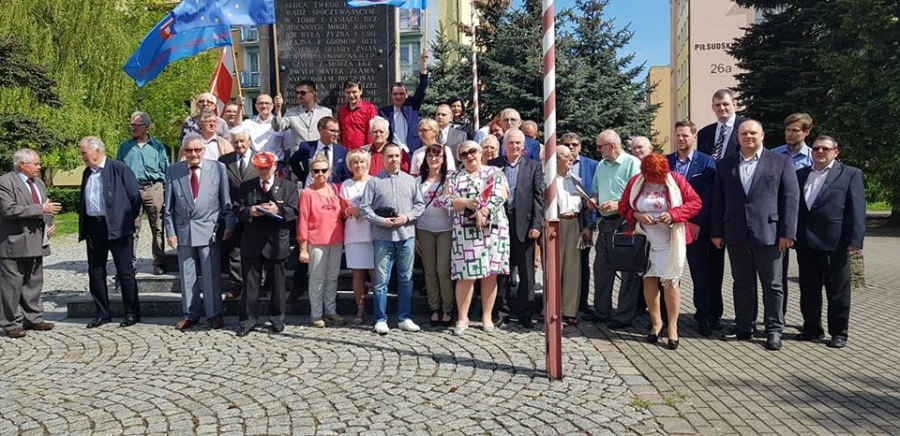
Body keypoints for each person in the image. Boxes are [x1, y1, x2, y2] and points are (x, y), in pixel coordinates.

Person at [711, 120, 800, 351]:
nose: (748, 137)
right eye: (744, 133)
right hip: (736, 233)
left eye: (753, 133)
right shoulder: (725, 164)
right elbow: (718, 200)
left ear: (762, 135)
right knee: (742, 283)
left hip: (770, 234)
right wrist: (717, 232)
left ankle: (774, 330)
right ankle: (744, 326)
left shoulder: (781, 162)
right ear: (738, 138)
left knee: (772, 284)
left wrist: (787, 233)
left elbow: (790, 199)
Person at [620, 153, 702, 350]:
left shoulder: (676, 180)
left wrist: (673, 214)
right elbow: (623, 207)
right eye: (651, 177)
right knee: (649, 279)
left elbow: (695, 203)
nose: (655, 181)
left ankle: (672, 326)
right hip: (645, 240)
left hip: (670, 240)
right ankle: (656, 323)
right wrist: (637, 215)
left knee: (670, 282)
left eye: (659, 177)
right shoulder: (635, 182)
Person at [794, 136, 865, 349]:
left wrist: (855, 239)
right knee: (809, 289)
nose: (820, 152)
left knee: (837, 291)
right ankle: (812, 329)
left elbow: (857, 208)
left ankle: (839, 332)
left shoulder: (850, 174)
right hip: (806, 242)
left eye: (825, 148)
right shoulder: (801, 174)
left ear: (836, 152)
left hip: (836, 242)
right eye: (816, 148)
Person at [164, 134, 235, 331]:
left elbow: (225, 200)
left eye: (197, 150)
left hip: (209, 228)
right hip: (184, 229)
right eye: (189, 150)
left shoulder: (217, 168)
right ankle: (190, 314)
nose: (193, 154)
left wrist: (229, 224)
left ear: (203, 150)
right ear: (183, 151)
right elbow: (168, 207)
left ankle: (214, 314)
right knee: (187, 275)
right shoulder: (173, 170)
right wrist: (170, 232)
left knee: (211, 275)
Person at [443, 141, 510, 335]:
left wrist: (484, 211)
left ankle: (487, 317)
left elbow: (501, 194)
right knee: (465, 275)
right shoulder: (454, 177)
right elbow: (445, 200)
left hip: (492, 230)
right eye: (464, 154)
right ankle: (462, 318)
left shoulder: (494, 172)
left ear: (480, 152)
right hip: (465, 232)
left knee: (490, 274)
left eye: (472, 151)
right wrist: (465, 202)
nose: (469, 156)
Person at [359, 143, 425, 335]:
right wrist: (381, 221)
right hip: (383, 237)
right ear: (383, 158)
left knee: (406, 279)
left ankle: (404, 318)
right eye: (390, 156)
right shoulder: (374, 182)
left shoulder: (411, 181)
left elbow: (420, 205)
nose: (394, 159)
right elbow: (364, 208)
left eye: (397, 156)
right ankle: (380, 319)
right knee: (381, 281)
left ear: (401, 158)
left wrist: (408, 217)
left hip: (406, 236)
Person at [78, 136, 142, 328]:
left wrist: (124, 220)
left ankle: (131, 313)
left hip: (118, 227)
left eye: (84, 152)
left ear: (97, 151)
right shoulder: (87, 173)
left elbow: (134, 197)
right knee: (96, 271)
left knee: (125, 271)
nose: (82, 156)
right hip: (93, 227)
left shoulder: (118, 168)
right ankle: (102, 313)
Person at [235, 152, 299, 337]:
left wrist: (278, 209)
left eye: (267, 167)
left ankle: (277, 318)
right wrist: (250, 211)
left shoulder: (288, 186)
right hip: (252, 241)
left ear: (275, 166)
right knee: (250, 285)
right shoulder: (246, 186)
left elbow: (294, 210)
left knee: (278, 285)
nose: (264, 171)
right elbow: (237, 209)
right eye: (260, 168)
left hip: (276, 240)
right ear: (255, 168)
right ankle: (247, 320)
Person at [0, 149, 61, 338]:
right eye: (35, 164)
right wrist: (40, 208)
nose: (39, 167)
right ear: (21, 164)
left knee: (34, 282)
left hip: (37, 241)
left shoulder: (38, 183)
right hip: (14, 242)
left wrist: (50, 223)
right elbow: (8, 209)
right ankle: (11, 324)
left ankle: (33, 318)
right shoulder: (5, 182)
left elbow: (46, 207)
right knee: (11, 285)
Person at [666, 120, 718, 336]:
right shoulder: (666, 162)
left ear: (694, 137)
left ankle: (704, 317)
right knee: (668, 273)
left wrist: (695, 222)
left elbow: (707, 195)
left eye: (685, 135)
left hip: (695, 228)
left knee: (700, 274)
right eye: (678, 135)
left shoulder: (706, 162)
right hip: (669, 227)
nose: (681, 139)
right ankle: (667, 318)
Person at [587, 130, 642, 329]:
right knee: (601, 268)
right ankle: (602, 312)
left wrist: (618, 204)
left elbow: (638, 195)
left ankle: (624, 316)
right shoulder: (601, 165)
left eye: (600, 146)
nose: (598, 150)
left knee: (628, 271)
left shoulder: (632, 164)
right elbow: (596, 189)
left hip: (626, 221)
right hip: (606, 223)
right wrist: (593, 199)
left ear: (612, 146)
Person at [488, 129, 543, 328]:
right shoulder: (493, 165)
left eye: (518, 143)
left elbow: (539, 197)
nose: (514, 146)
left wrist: (536, 224)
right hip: (499, 224)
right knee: (501, 271)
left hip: (524, 224)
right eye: (511, 143)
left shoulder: (533, 166)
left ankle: (525, 312)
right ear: (505, 145)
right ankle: (501, 311)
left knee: (527, 272)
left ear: (523, 146)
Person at [772, 113, 814, 317]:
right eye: (787, 130)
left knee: (809, 276)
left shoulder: (815, 157)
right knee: (778, 274)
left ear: (807, 132)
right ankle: (778, 317)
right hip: (780, 221)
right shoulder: (774, 155)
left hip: (806, 222)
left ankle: (810, 321)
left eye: (795, 130)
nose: (790, 134)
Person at [117, 111, 168, 275]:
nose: (133, 128)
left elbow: (165, 169)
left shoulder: (157, 146)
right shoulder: (124, 147)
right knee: (131, 228)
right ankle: (130, 263)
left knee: (158, 227)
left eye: (136, 125)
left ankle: (159, 263)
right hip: (131, 189)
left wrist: (165, 191)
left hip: (154, 188)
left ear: (147, 127)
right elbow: (118, 170)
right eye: (131, 125)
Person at [298, 155, 346, 328]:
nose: (320, 174)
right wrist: (303, 247)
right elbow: (303, 220)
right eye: (316, 171)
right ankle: (316, 313)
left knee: (332, 277)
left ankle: (331, 310)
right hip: (316, 240)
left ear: (329, 172)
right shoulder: (307, 193)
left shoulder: (335, 189)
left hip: (336, 239)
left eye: (324, 170)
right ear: (311, 173)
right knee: (317, 278)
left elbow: (342, 212)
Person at [415, 144, 455, 327]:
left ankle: (448, 308)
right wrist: (414, 235)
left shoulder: (450, 180)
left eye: (438, 155)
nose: (433, 159)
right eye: (430, 155)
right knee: (429, 271)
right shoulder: (418, 181)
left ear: (443, 159)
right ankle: (434, 308)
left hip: (446, 228)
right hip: (424, 229)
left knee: (443, 270)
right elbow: (413, 208)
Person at [560, 133, 599, 316]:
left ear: (580, 146)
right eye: (567, 144)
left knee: (582, 265)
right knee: (561, 265)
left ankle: (581, 303)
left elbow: (593, 195)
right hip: (562, 220)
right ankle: (560, 303)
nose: (571, 147)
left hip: (582, 221)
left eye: (574, 144)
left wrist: (590, 225)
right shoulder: (554, 166)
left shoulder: (592, 165)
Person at [553, 146, 592, 327]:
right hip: (556, 224)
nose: (571, 159)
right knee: (554, 268)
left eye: (572, 156)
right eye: (566, 156)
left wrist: (587, 226)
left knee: (572, 269)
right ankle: (551, 309)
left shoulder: (576, 180)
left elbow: (585, 204)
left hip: (575, 223)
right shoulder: (548, 180)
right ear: (556, 160)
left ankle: (569, 310)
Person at [218, 126, 258, 298]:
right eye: (235, 142)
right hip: (232, 210)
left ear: (249, 141)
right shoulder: (223, 160)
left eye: (242, 141)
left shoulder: (259, 158)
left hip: (254, 210)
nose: (239, 145)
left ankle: (257, 283)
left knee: (256, 249)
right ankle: (237, 284)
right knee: (234, 249)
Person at [340, 149, 375, 325]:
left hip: (372, 232)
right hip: (353, 233)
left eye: (362, 162)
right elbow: (341, 212)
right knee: (357, 273)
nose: (359, 165)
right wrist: (349, 210)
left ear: (367, 164)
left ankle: (379, 308)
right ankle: (360, 308)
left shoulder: (374, 181)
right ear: (350, 165)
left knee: (376, 273)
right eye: (355, 162)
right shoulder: (345, 184)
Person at [379, 50, 429, 153]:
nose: (398, 97)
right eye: (395, 94)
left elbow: (422, 88)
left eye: (401, 94)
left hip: (412, 151)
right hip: (394, 153)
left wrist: (423, 67)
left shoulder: (412, 106)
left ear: (406, 95)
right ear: (391, 96)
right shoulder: (384, 112)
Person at [288, 116, 352, 187]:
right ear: (321, 130)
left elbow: (346, 176)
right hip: (311, 189)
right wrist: (304, 178)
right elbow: (293, 162)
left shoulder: (342, 151)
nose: (336, 134)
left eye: (337, 131)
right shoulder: (307, 147)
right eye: (332, 131)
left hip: (332, 190)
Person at [273, 80, 333, 149]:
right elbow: (278, 127)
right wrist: (278, 109)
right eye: (297, 93)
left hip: (318, 153)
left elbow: (331, 134)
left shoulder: (325, 112)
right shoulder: (291, 112)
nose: (299, 96)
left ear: (313, 93)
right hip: (299, 153)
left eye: (303, 93)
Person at [697, 89, 747, 161]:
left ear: (734, 104)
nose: (722, 108)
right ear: (713, 107)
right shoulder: (704, 133)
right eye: (718, 105)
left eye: (725, 104)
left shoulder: (747, 127)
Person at [338, 79, 379, 150]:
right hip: (345, 151)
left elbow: (371, 131)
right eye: (348, 92)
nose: (351, 95)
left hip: (362, 152)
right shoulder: (342, 110)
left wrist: (367, 150)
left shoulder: (369, 109)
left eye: (354, 92)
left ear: (360, 91)